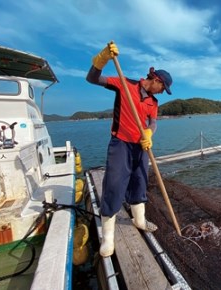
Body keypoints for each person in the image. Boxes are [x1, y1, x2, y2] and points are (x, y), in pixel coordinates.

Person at [86, 42, 173, 257]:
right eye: (163, 88)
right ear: (156, 80)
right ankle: (108, 238)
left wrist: (149, 134)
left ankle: (140, 220)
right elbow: (93, 79)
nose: (162, 92)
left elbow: (153, 122)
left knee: (140, 180)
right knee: (114, 184)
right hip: (121, 143)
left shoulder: (153, 102)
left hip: (141, 146)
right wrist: (102, 59)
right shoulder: (125, 85)